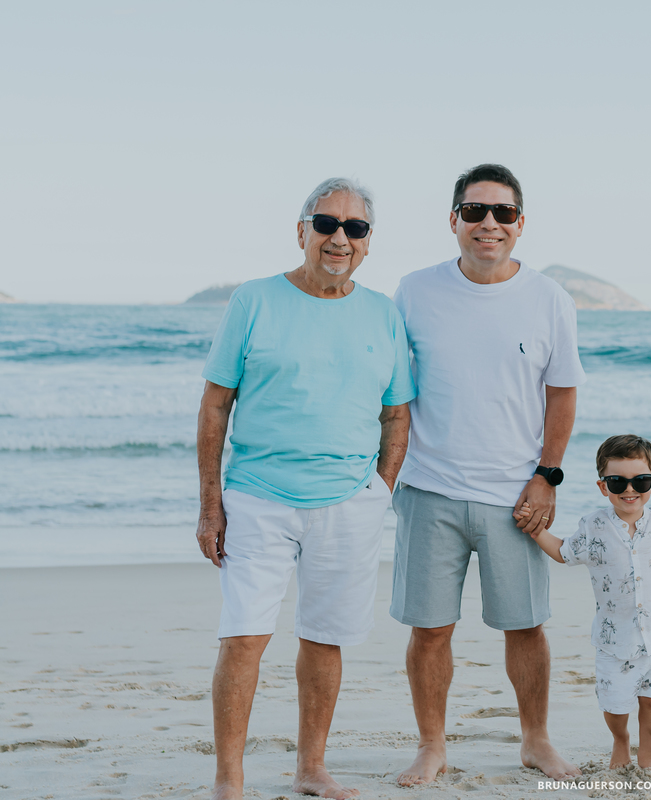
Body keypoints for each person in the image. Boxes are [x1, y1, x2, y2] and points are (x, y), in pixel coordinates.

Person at [195, 177, 416, 800]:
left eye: (355, 228)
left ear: (369, 243)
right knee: (243, 637)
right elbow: (216, 408)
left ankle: (311, 769)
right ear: (301, 232)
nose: (339, 237)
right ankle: (229, 781)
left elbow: (396, 412)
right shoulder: (254, 300)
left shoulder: (383, 313)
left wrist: (380, 490)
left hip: (350, 502)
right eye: (326, 224)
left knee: (325, 639)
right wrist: (211, 506)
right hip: (258, 497)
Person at [389, 164, 586, 785]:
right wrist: (382, 476)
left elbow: (562, 394)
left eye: (502, 213)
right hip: (428, 489)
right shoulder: (415, 290)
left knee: (525, 626)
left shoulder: (549, 297)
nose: (488, 224)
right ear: (454, 221)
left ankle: (535, 740)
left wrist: (547, 477)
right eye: (475, 212)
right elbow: (391, 390)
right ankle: (432, 746)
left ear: (520, 225)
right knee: (430, 628)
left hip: (515, 495)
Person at [524, 435, 651, 773]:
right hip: (615, 640)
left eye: (640, 481)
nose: (629, 490)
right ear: (604, 487)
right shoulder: (593, 526)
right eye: (618, 481)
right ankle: (621, 741)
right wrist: (535, 530)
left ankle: (646, 756)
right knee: (616, 706)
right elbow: (563, 552)